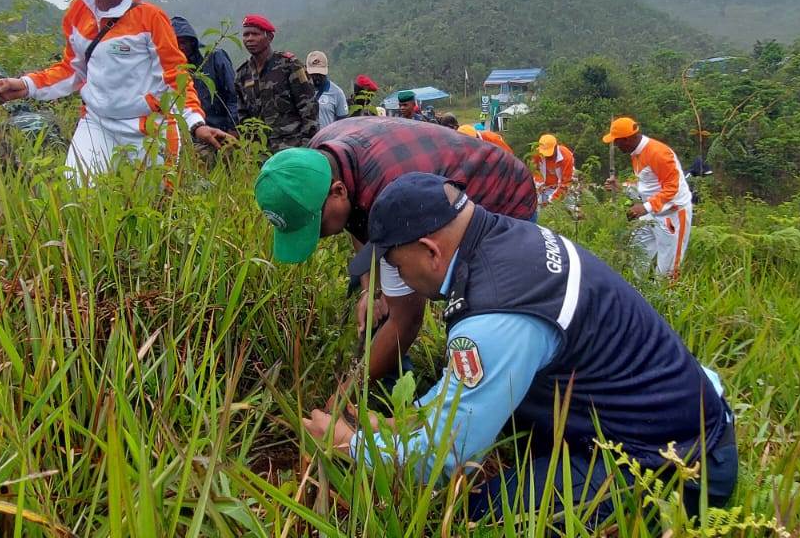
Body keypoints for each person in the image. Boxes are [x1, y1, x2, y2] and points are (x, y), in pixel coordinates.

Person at [301, 172, 737, 524]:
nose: (398, 277)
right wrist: (405, 423)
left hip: (677, 467)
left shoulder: (494, 313)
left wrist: (348, 447)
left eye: (395, 264)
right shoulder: (505, 237)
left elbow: (443, 459)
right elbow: (464, 387)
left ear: (430, 251)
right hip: (663, 412)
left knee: (476, 517)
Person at [253, 117, 537, 386]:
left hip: (501, 193)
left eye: (317, 226)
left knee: (478, 315)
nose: (320, 237)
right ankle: (399, 392)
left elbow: (407, 319)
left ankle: (464, 401)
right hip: (421, 185)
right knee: (380, 307)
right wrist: (370, 290)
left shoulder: (392, 194)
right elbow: (359, 222)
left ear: (338, 192)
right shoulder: (318, 161)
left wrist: (344, 398)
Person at [0, 0, 227, 178]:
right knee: (78, 196)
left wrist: (196, 123)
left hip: (148, 129)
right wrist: (25, 85)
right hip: (96, 124)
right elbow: (72, 69)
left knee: (152, 207)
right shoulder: (78, 12)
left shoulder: (150, 18)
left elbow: (174, 76)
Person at [601, 118, 694, 279]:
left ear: (628, 139)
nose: (616, 146)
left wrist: (646, 207)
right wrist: (622, 187)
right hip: (651, 213)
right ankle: (637, 293)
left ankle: (665, 301)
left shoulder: (658, 153)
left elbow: (673, 188)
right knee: (636, 257)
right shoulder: (636, 153)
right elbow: (647, 184)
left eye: (617, 142)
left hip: (673, 214)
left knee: (668, 268)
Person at [235, 14, 318, 153]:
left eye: (255, 34)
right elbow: (243, 116)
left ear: (269, 37)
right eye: (246, 35)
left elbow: (309, 108)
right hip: (260, 153)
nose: (249, 39)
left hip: (293, 148)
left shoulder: (289, 66)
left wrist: (306, 147)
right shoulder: (242, 74)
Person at [171, 16, 239, 134]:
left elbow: (234, 95)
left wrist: (233, 128)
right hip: (190, 132)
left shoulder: (214, 57)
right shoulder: (172, 67)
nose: (181, 47)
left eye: (184, 42)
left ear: (193, 41)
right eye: (176, 43)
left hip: (220, 129)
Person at [306, 51, 348, 129]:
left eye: (320, 74)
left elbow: (343, 124)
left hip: (327, 139)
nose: (316, 77)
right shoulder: (301, 91)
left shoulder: (337, 93)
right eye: (313, 74)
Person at [532, 134, 575, 208]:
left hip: (563, 191)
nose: (547, 156)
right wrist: (539, 185)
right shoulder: (537, 154)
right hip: (545, 189)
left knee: (569, 211)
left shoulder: (566, 157)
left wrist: (551, 201)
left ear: (556, 147)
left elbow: (566, 183)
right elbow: (536, 172)